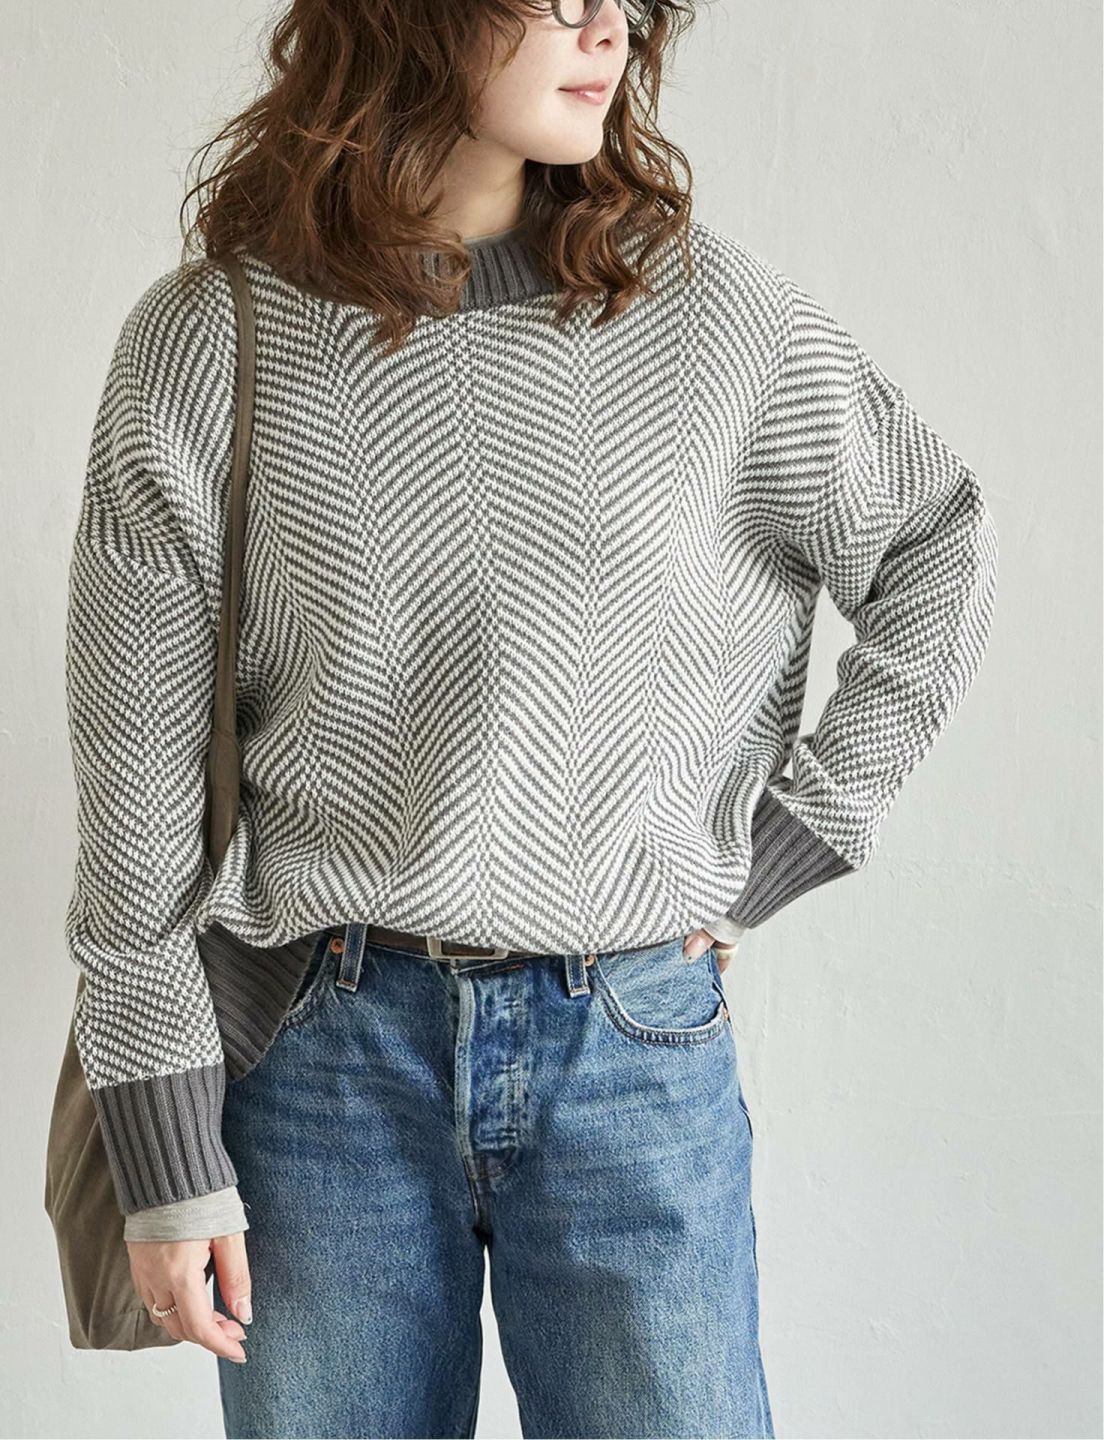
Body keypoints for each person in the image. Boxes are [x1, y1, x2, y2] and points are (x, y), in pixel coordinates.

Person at [61, 0, 998, 1433]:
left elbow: (935, 540)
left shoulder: (712, 318)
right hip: (322, 1061)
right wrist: (168, 1162)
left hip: (632, 1043)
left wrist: (802, 832)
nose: (605, 26)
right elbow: (133, 800)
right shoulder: (212, 340)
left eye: (624, 2)